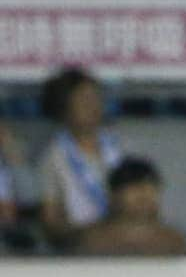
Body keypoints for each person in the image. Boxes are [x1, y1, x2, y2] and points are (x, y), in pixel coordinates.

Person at [38, 68, 123, 249]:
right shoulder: (53, 157)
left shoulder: (119, 145)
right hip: (80, 244)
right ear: (64, 108)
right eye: (84, 101)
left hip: (123, 234)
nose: (93, 107)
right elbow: (50, 219)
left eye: (96, 99)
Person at [75, 157, 186, 255]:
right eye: (135, 188)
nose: (143, 196)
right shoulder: (92, 241)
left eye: (150, 189)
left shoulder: (174, 242)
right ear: (114, 195)